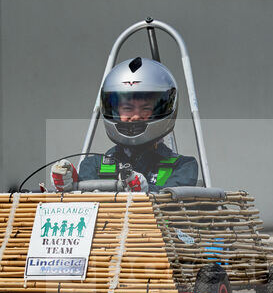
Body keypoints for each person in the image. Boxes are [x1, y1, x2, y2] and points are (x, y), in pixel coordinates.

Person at [48, 57, 200, 193]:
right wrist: (70, 188)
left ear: (163, 109)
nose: (134, 116)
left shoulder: (183, 166)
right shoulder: (93, 165)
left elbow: (174, 206)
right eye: (127, 108)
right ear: (114, 110)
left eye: (145, 108)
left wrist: (146, 191)